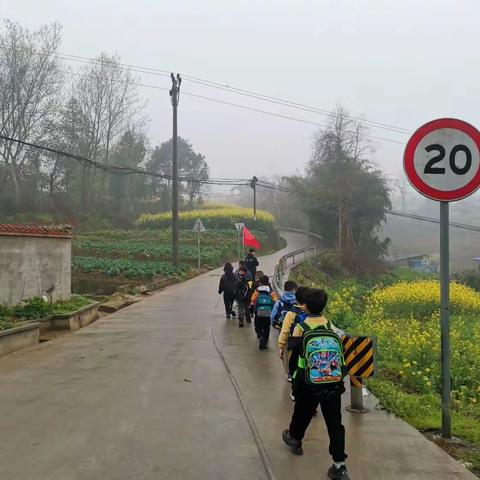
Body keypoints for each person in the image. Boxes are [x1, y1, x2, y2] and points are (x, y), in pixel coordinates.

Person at [282, 288, 349, 480]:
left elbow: (295, 356)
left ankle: (295, 440)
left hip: (308, 381)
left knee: (302, 413)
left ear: (305, 306)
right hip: (332, 382)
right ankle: (339, 465)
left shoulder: (301, 327)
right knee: (335, 423)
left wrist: (294, 381)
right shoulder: (330, 325)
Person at [277, 285, 309, 390]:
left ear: (296, 298)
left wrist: (281, 345)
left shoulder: (291, 313)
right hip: (308, 345)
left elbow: (285, 331)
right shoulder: (311, 314)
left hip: (293, 345)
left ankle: (290, 377)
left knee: (291, 364)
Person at [251, 275, 277, 349]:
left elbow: (253, 300)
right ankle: (264, 341)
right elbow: (275, 300)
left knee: (257, 325)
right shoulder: (270, 291)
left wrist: (252, 309)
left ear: (260, 283)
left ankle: (260, 335)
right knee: (266, 327)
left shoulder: (257, 290)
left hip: (258, 311)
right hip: (268, 312)